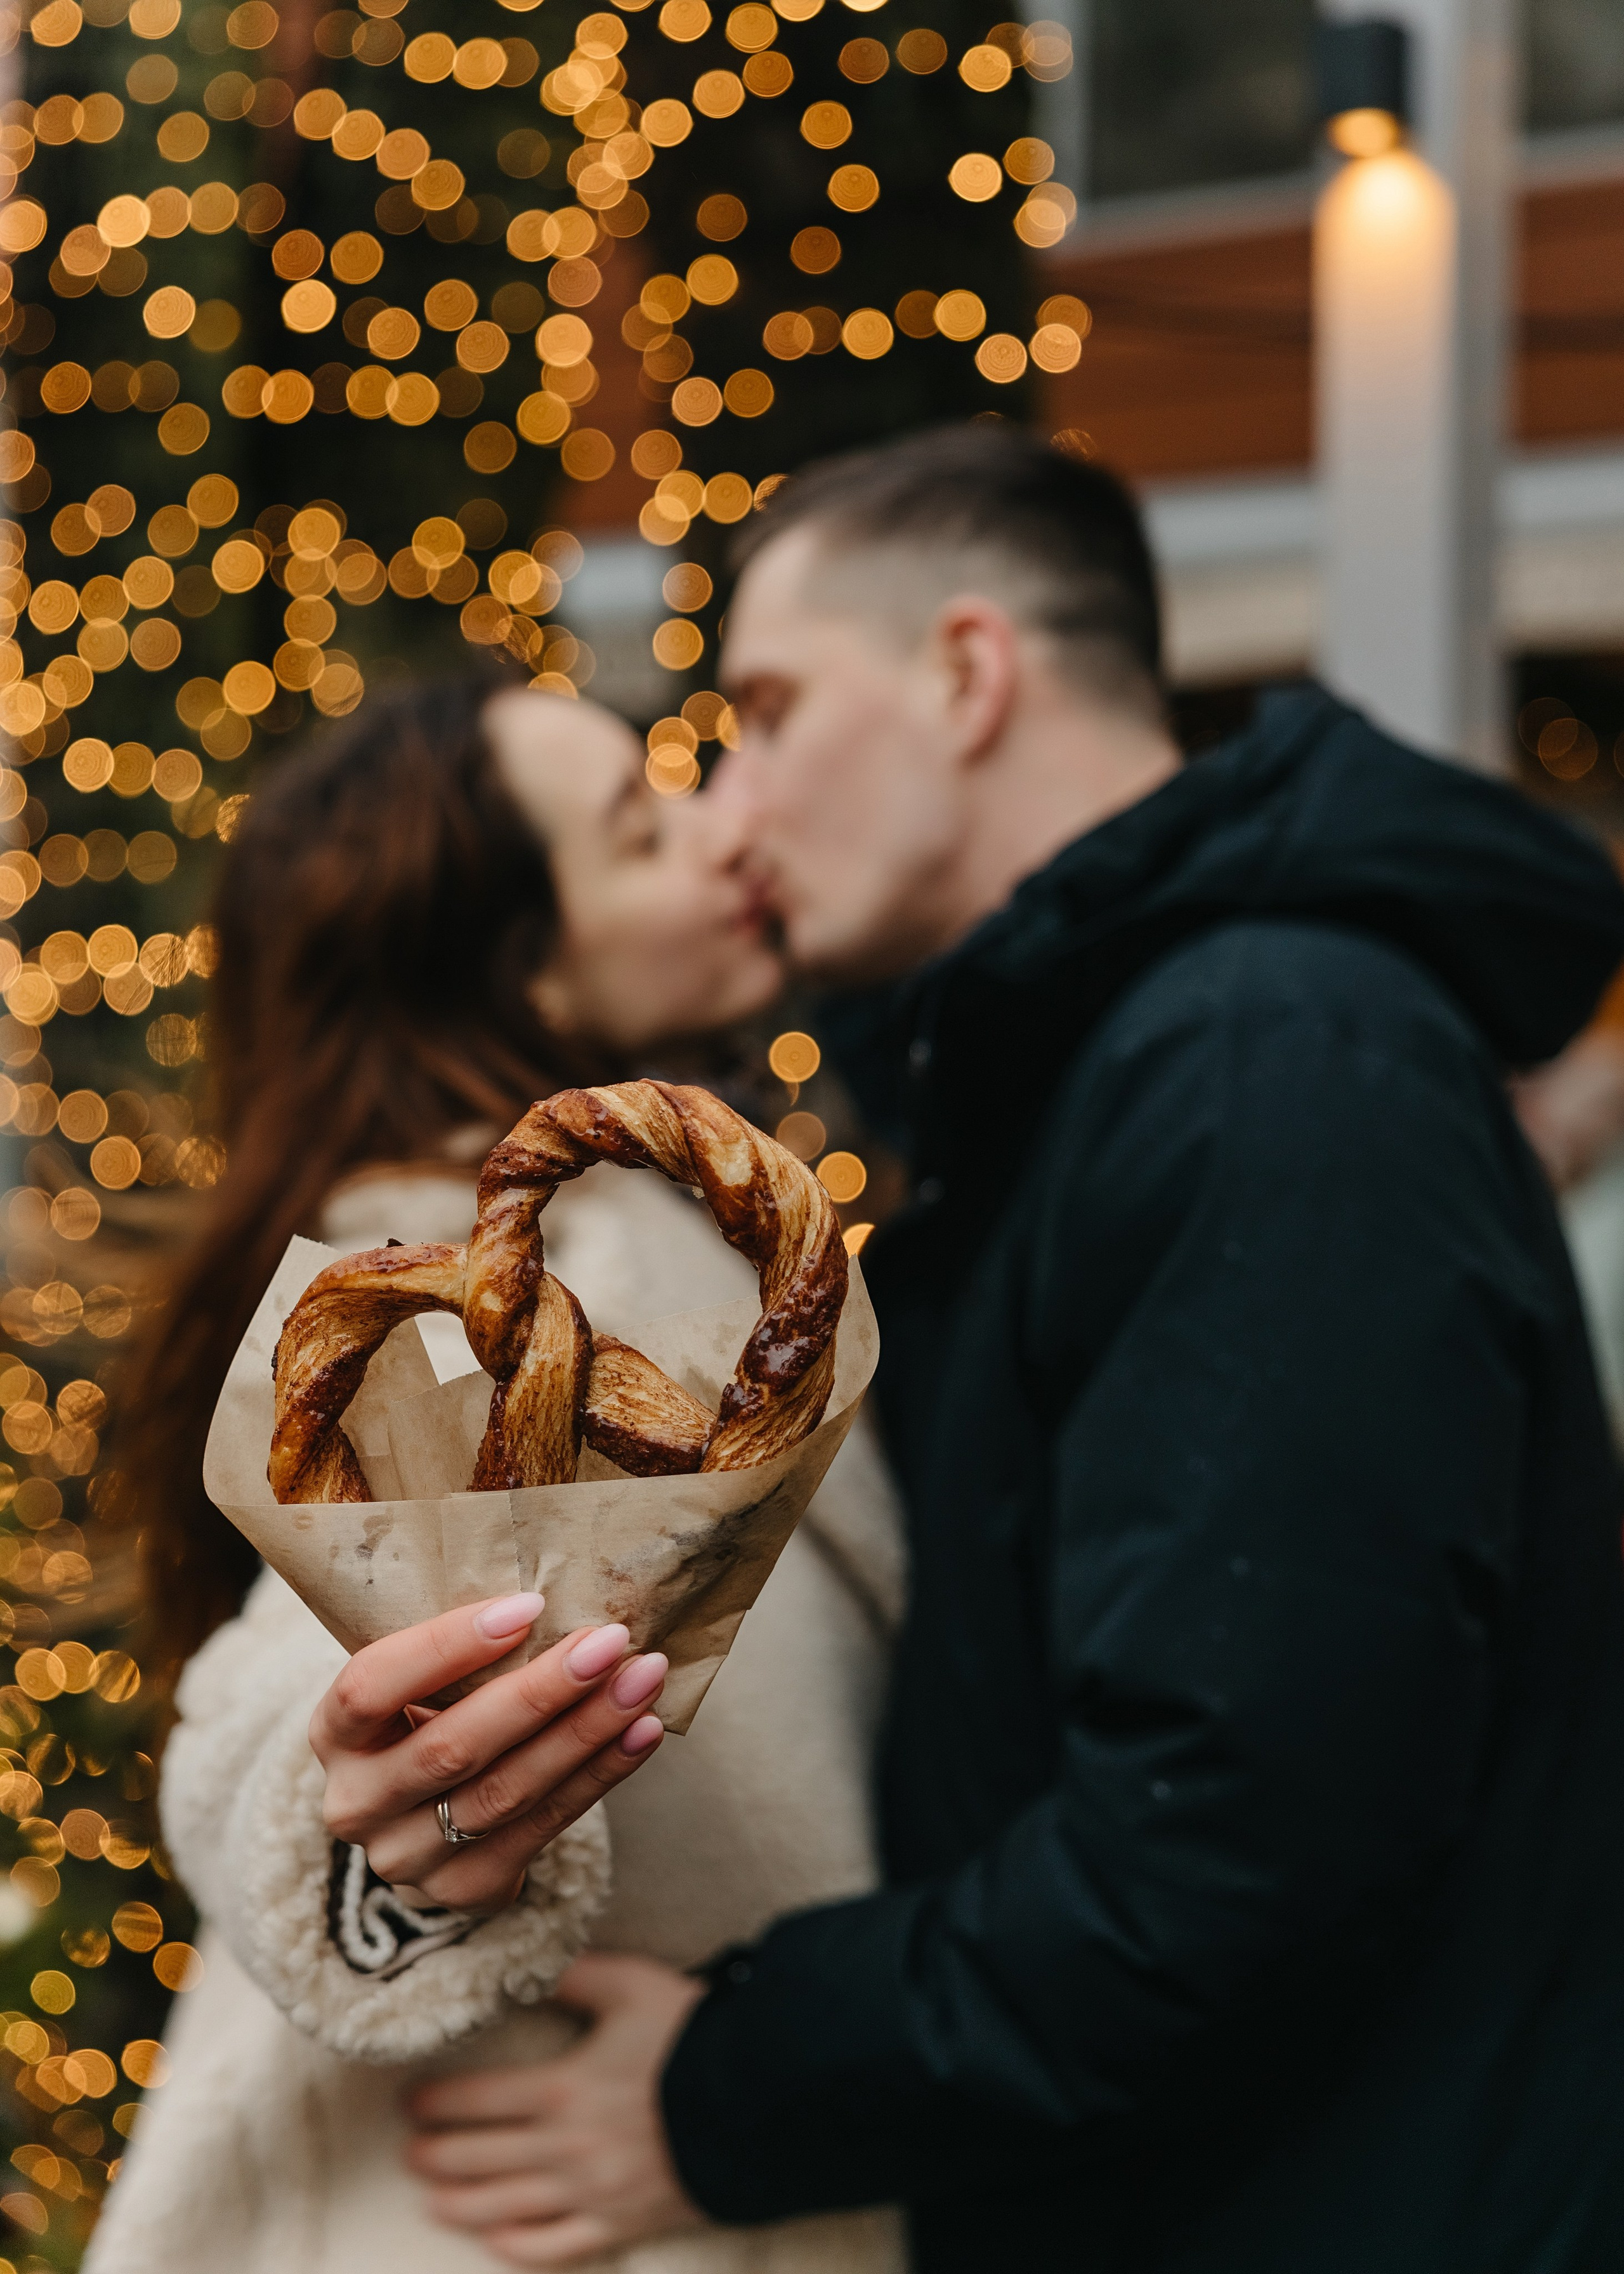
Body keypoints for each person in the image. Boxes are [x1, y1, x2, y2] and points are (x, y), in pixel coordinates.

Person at [411, 424, 1624, 2273]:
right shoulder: (1109, 1074)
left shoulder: (1262, 1063)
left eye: (768, 711)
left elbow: (1232, 1849)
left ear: (968, 672)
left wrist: (729, 2090)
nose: (732, 809)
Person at [88, 677, 907, 2274]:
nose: (720, 832)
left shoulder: (681, 1243)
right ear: (528, 961)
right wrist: (356, 1830)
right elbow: (282, 1695)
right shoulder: (503, 1294)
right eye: (640, 831)